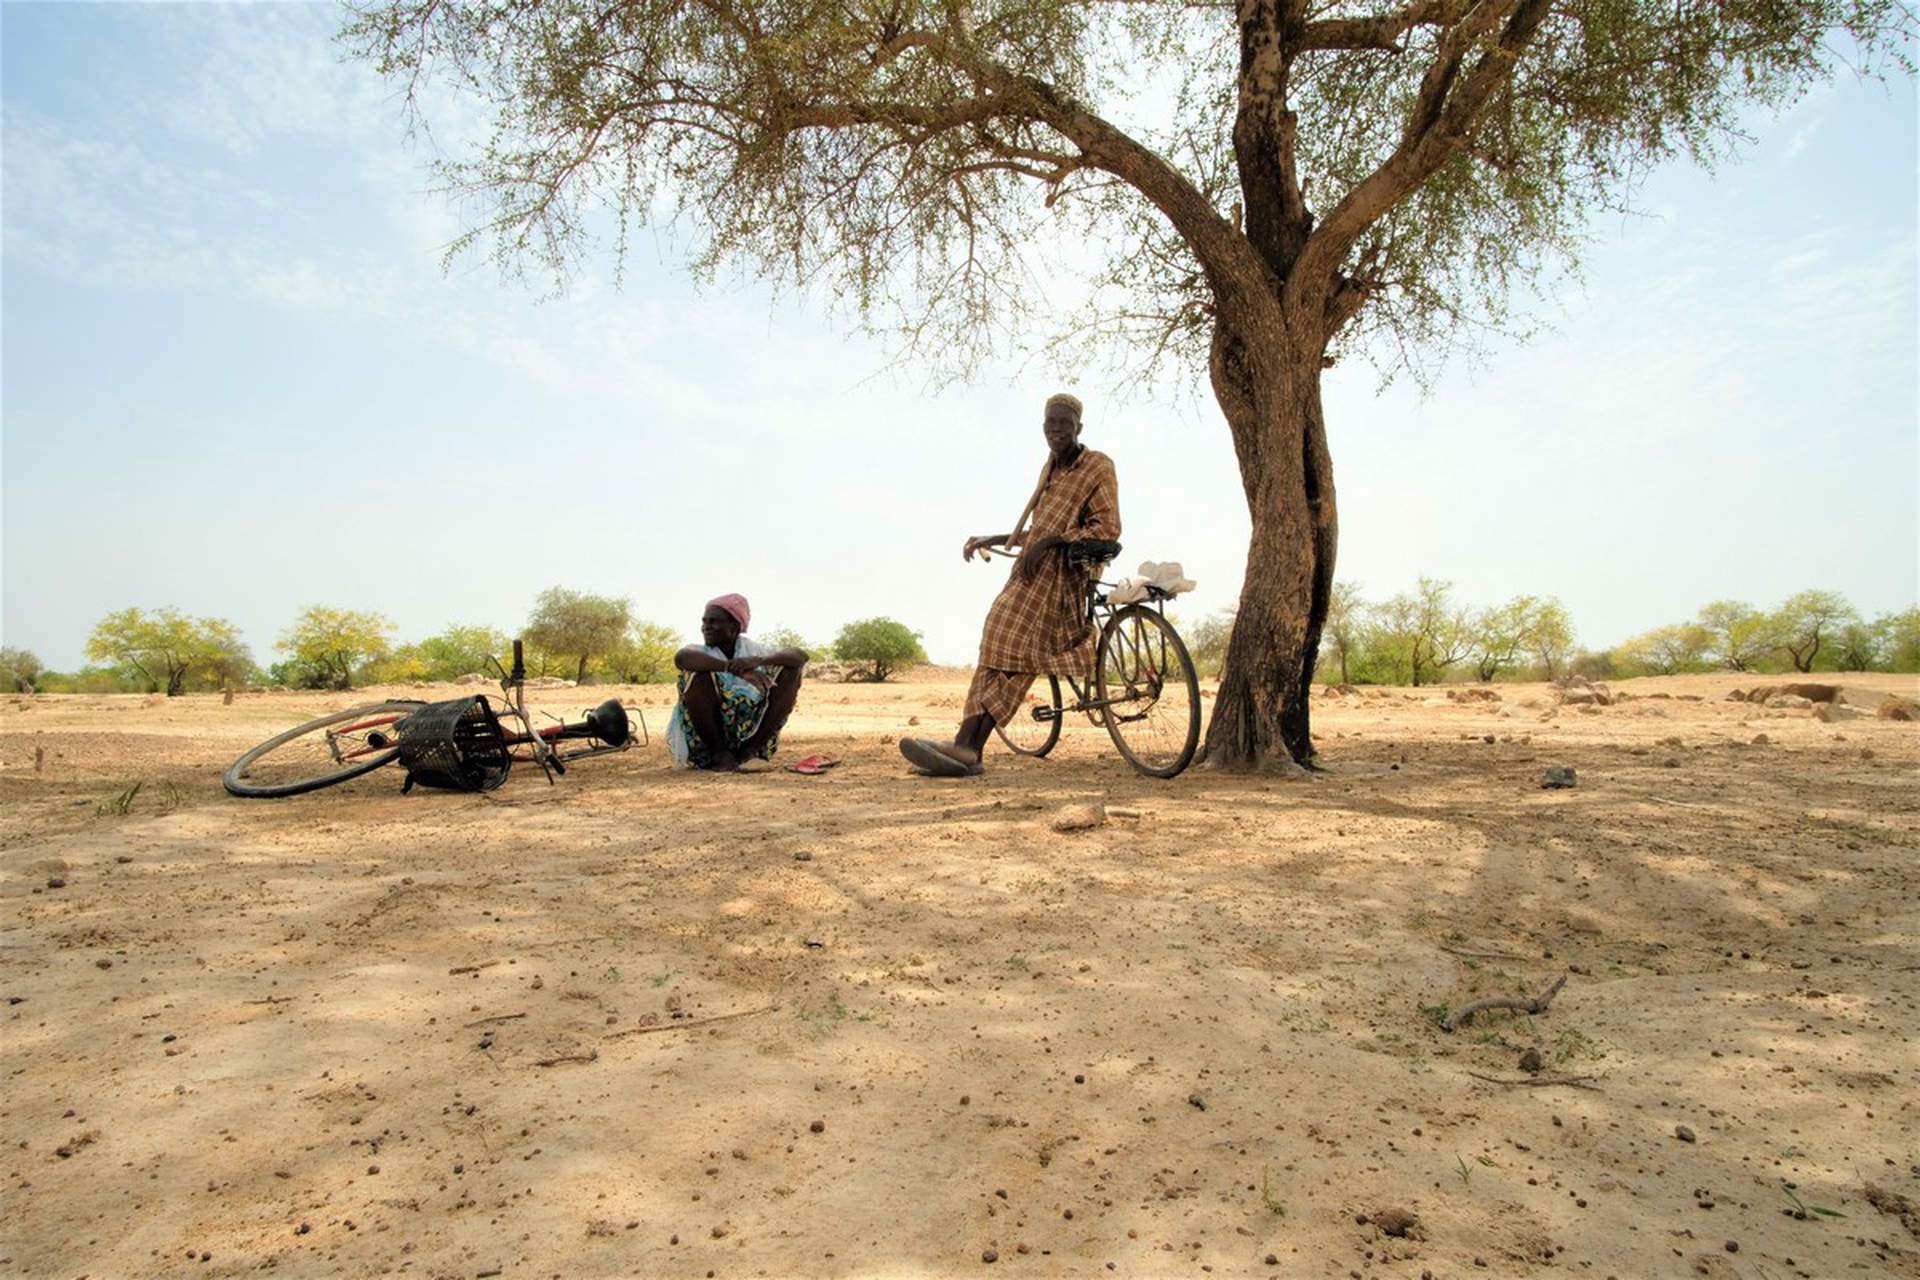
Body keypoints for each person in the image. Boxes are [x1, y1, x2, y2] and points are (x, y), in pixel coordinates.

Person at [899, 392, 1120, 777]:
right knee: (996, 641)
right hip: (1031, 573)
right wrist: (995, 538)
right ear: (1042, 428)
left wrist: (1051, 543)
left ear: (1079, 428)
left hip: (1065, 578)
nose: (1057, 430)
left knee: (1015, 648)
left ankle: (968, 748)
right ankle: (966, 745)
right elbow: (1040, 529)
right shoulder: (1049, 469)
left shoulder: (1097, 465)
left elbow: (1106, 528)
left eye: (1064, 423)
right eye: (1051, 423)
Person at [667, 594, 807, 772]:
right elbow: (681, 658)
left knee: (791, 671)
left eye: (714, 622)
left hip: (752, 737)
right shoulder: (699, 652)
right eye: (704, 622)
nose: (706, 628)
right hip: (705, 746)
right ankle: (720, 754)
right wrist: (731, 668)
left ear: (734, 626)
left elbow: (800, 656)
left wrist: (758, 661)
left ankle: (751, 750)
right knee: (698, 675)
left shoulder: (754, 650)